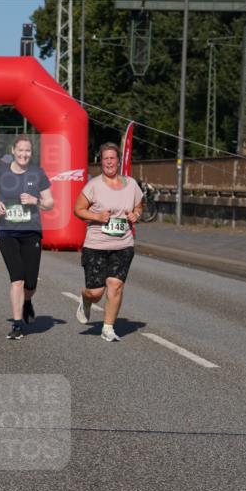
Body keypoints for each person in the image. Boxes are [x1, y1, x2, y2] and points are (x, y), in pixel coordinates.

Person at [0, 135, 53, 340]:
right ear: (13, 151)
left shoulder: (37, 173)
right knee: (17, 279)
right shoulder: (2, 172)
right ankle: (17, 324)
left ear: (31, 153)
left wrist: (36, 200)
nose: (24, 154)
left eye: (28, 151)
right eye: (20, 150)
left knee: (30, 283)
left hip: (31, 231)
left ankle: (27, 301)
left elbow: (50, 203)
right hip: (7, 232)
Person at [74, 143, 143, 342]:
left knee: (115, 285)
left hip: (123, 245)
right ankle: (86, 299)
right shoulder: (93, 185)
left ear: (119, 161)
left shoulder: (131, 184)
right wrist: (97, 216)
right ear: (101, 162)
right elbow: (78, 210)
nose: (109, 162)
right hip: (96, 245)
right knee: (96, 292)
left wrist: (135, 214)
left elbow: (139, 205)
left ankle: (108, 327)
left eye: (113, 158)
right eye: (106, 159)